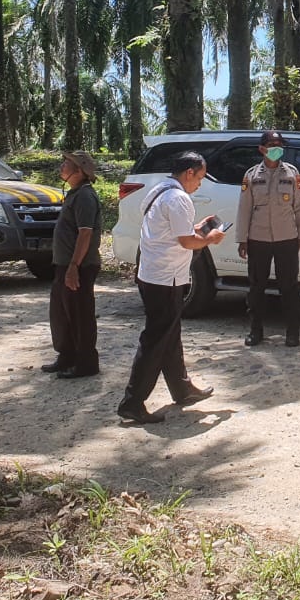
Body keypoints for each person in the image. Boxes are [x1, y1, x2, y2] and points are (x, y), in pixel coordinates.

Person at [117, 152, 224, 424]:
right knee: (155, 340)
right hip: (165, 278)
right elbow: (187, 242)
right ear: (189, 173)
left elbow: (170, 231)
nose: (199, 184)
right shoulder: (178, 198)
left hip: (154, 274)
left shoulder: (159, 190)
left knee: (170, 334)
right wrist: (210, 238)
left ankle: (181, 387)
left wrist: (197, 227)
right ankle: (133, 402)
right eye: (199, 177)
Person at [236, 130, 300, 348]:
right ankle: (255, 331)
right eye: (272, 144)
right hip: (258, 238)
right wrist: (242, 239)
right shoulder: (251, 175)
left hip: (287, 238)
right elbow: (244, 209)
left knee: (289, 286)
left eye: (280, 144)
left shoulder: (292, 174)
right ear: (262, 148)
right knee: (256, 287)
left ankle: (293, 332)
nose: (277, 148)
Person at [43, 151, 103, 378]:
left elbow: (85, 234)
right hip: (65, 264)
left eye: (67, 164)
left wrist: (74, 266)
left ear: (79, 171)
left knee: (80, 314)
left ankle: (86, 363)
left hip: (79, 266)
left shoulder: (85, 196)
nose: (62, 166)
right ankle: (67, 356)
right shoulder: (75, 194)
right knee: (62, 313)